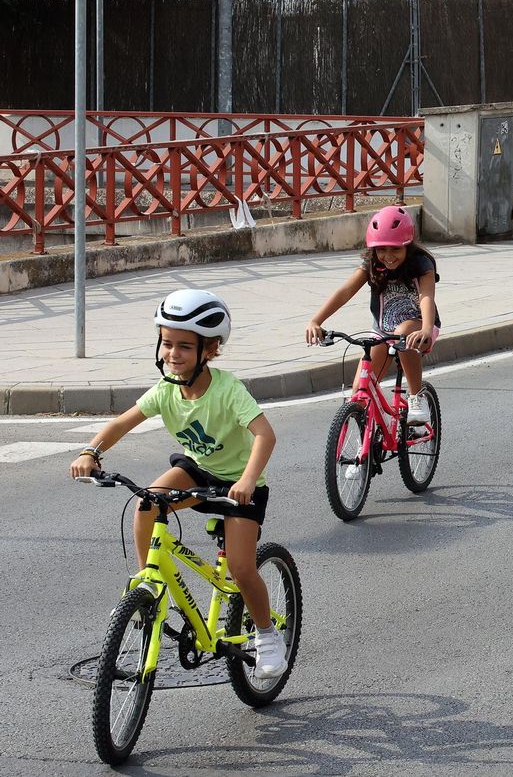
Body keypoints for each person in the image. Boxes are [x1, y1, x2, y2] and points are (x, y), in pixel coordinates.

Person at [69, 290, 286, 676]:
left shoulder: (228, 390)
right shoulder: (167, 390)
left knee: (240, 567)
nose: (173, 353)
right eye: (167, 343)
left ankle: (268, 634)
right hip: (199, 471)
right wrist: (91, 452)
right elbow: (122, 422)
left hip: (239, 484)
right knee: (147, 501)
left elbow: (264, 435)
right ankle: (148, 584)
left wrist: (248, 481)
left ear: (211, 351)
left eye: (185, 346)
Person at [305, 205, 440, 423]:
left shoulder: (421, 263)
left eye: (395, 249)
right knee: (359, 391)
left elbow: (426, 297)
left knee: (403, 332)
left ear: (408, 245)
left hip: (419, 328)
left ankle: (416, 398)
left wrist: (426, 328)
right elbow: (345, 291)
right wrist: (315, 321)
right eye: (381, 249)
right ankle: (368, 441)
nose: (388, 256)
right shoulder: (372, 265)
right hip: (382, 331)